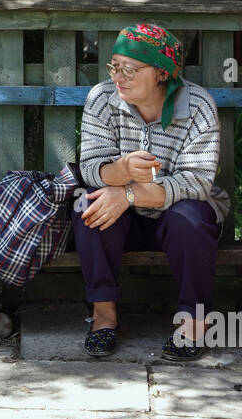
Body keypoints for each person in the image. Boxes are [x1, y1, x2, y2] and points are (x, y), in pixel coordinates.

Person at [74, 22, 230, 360]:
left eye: (130, 69)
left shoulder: (198, 106)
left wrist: (129, 193)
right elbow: (90, 168)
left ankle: (193, 321)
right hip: (124, 222)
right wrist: (120, 172)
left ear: (161, 73)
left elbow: (196, 182)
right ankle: (103, 316)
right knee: (86, 204)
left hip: (174, 218)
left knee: (192, 217)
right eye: (115, 66)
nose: (119, 77)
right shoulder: (102, 99)